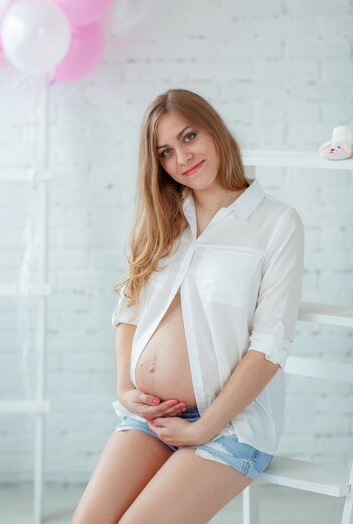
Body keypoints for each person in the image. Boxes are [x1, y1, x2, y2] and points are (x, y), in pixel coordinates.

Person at [71, 88, 304, 524]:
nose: (182, 157)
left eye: (189, 136)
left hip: (230, 425)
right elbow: (129, 311)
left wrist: (202, 427)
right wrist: (126, 391)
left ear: (214, 130)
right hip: (152, 417)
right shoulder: (165, 217)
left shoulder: (275, 223)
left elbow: (270, 346)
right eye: (165, 151)